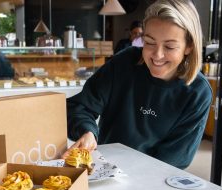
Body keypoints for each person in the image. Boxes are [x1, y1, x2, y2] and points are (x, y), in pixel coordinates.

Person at [63, 0, 212, 169]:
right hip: (104, 169)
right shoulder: (124, 63)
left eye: (169, 46)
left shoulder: (198, 92)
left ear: (189, 46)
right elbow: (77, 106)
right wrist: (87, 131)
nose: (157, 55)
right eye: (149, 42)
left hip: (153, 181)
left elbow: (175, 159)